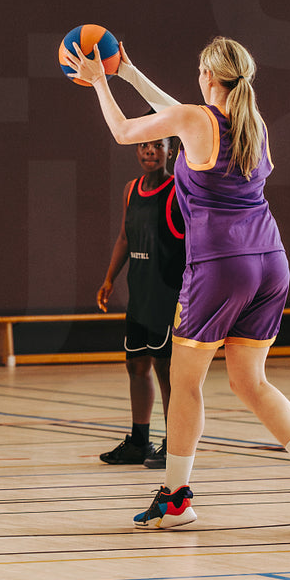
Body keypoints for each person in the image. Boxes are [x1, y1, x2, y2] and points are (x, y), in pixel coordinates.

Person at [63, 37, 290, 533]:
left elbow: (125, 130)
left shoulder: (196, 120)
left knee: (186, 382)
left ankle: (175, 498)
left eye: (200, 71)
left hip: (221, 266)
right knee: (250, 382)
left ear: (209, 77)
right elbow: (181, 116)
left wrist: (100, 83)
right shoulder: (253, 124)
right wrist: (128, 73)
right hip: (270, 261)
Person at [95, 136, 184, 468]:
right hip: (140, 293)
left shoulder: (178, 191)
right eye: (144, 145)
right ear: (136, 149)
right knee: (136, 365)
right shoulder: (131, 190)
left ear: (171, 151)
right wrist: (109, 278)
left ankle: (176, 444)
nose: (150, 150)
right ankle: (138, 442)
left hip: (167, 296)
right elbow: (124, 236)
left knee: (165, 369)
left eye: (158, 145)